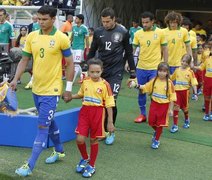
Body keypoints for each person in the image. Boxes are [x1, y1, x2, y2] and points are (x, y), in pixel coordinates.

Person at [10, 6, 74, 177]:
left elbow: (70, 64)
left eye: (44, 19)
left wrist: (68, 88)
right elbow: (24, 60)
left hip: (52, 89)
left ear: (53, 19)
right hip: (36, 88)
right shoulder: (32, 36)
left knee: (42, 125)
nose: (40, 22)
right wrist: (16, 79)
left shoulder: (62, 38)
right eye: (39, 19)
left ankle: (29, 165)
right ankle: (59, 150)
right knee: (48, 119)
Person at [87, 7, 136, 145]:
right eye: (103, 22)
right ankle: (101, 128)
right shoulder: (98, 32)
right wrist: (87, 68)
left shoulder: (123, 32)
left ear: (114, 19)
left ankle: (110, 131)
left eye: (108, 21)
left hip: (116, 72)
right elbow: (92, 51)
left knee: (111, 101)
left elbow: (129, 52)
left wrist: (132, 72)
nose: (105, 24)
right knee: (100, 102)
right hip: (101, 72)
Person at [72, 58, 115, 178]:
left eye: (97, 72)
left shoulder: (105, 85)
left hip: (98, 114)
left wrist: (110, 122)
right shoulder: (85, 81)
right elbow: (81, 94)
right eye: (92, 72)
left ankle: (92, 165)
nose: (95, 74)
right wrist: (71, 96)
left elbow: (109, 104)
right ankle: (85, 158)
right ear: (88, 71)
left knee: (93, 140)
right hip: (85, 112)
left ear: (102, 71)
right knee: (80, 139)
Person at [130, 62, 176, 149]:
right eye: (160, 70)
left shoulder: (169, 83)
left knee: (160, 124)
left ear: (167, 72)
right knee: (151, 122)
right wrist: (136, 85)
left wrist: (170, 109)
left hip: (164, 106)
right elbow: (145, 87)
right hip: (154, 105)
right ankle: (157, 132)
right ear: (157, 71)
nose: (161, 73)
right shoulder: (154, 80)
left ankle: (156, 140)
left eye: (164, 71)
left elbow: (172, 97)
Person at [133, 11, 168, 123]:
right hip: (141, 67)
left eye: (147, 22)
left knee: (155, 92)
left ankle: (155, 114)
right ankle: (143, 114)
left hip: (154, 67)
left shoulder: (160, 33)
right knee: (141, 90)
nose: (145, 24)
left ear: (153, 21)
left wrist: (165, 64)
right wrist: (128, 62)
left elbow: (165, 49)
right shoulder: (138, 33)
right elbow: (133, 49)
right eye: (143, 22)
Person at [170, 54, 198, 133]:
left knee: (184, 108)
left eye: (186, 62)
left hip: (185, 93)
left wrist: (195, 93)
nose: (184, 63)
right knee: (176, 107)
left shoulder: (190, 72)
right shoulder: (177, 70)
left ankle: (186, 119)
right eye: (183, 61)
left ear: (188, 64)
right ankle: (175, 125)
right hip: (177, 92)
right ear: (181, 61)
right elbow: (171, 78)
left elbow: (194, 83)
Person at [70, 14, 89, 83]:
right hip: (73, 47)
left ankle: (71, 81)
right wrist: (69, 44)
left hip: (80, 48)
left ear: (81, 20)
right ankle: (84, 75)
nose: (75, 20)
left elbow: (87, 40)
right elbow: (72, 37)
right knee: (74, 63)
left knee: (76, 64)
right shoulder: (74, 27)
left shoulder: (84, 28)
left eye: (77, 18)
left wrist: (87, 49)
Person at [194, 47, 212, 121]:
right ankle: (207, 113)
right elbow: (201, 67)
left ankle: (211, 114)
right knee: (207, 97)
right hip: (208, 80)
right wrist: (192, 66)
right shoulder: (207, 59)